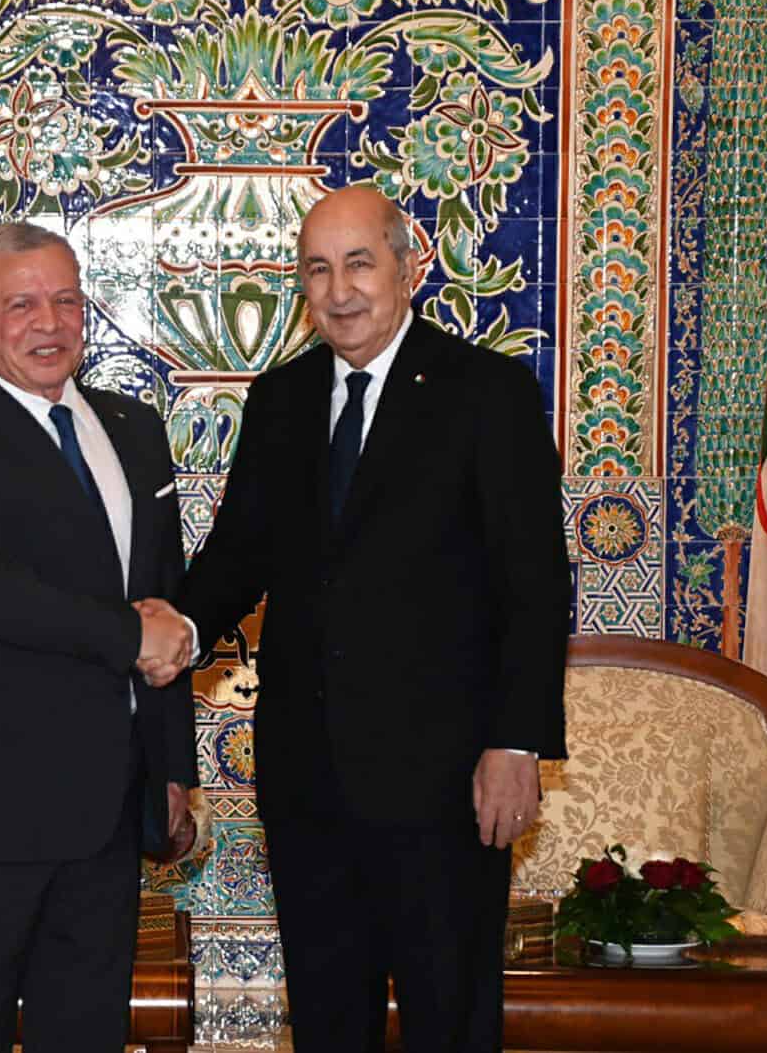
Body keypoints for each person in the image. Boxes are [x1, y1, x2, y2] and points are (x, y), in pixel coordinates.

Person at [150, 186, 570, 1050]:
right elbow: (238, 554)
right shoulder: (281, 400)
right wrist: (178, 628)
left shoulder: (487, 392)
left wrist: (516, 744)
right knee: (328, 1020)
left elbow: (534, 585)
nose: (339, 291)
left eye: (359, 264)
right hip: (308, 779)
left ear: (408, 269)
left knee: (449, 1021)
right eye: (317, 270)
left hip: (448, 783)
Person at [0, 222, 198, 1052]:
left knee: (88, 1033)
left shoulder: (134, 429)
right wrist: (129, 635)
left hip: (110, 809)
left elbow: (162, 598)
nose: (49, 323)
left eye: (66, 301)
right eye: (21, 305)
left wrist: (170, 767)